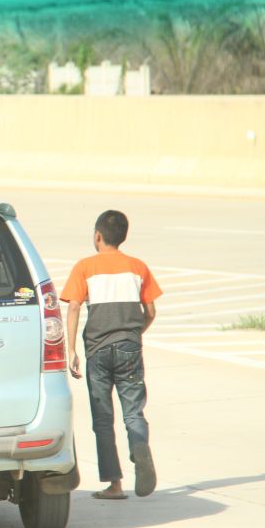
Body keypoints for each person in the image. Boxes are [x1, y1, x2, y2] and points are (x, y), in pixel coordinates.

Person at [61, 210, 162, 500]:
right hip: (130, 347)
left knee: (103, 419)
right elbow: (151, 311)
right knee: (133, 412)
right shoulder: (137, 267)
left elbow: (74, 307)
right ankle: (140, 446)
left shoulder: (85, 267)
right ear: (123, 237)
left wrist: (71, 350)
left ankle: (115, 484)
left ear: (97, 236)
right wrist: (135, 334)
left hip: (98, 351)